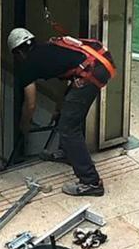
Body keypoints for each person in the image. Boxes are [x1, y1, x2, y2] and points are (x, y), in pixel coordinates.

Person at [7, 28, 115, 197]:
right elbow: (65, 76)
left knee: (69, 129)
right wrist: (60, 105)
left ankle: (90, 182)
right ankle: (68, 153)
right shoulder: (49, 48)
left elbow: (31, 103)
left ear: (18, 53)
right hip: (98, 65)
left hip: (90, 74)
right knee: (69, 116)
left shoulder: (28, 66)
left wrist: (24, 125)